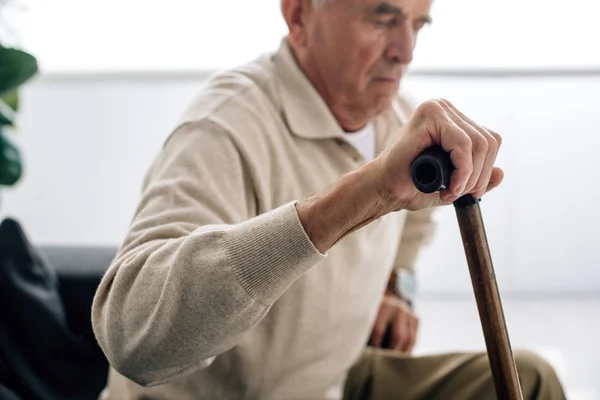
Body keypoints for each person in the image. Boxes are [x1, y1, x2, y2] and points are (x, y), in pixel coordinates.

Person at [91, 0, 566, 399]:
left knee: (533, 378)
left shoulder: (395, 116)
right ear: (299, 14)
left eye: (417, 23)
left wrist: (396, 286)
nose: (405, 51)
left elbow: (416, 224)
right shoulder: (224, 125)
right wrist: (366, 193)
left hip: (336, 379)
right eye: (382, 18)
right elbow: (131, 337)